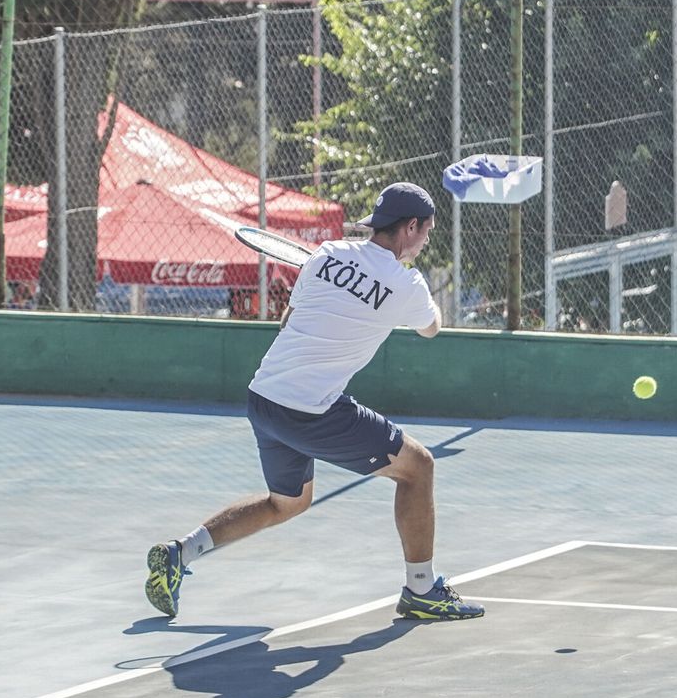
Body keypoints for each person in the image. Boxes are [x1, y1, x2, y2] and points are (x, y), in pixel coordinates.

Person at [144, 182, 484, 622]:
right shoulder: (407, 283)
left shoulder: (325, 254)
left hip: (264, 396)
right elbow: (430, 328)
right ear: (411, 227)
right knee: (418, 469)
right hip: (311, 410)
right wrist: (413, 304)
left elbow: (291, 317)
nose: (427, 240)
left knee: (287, 502)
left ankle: (179, 553)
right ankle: (422, 590)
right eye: (427, 231)